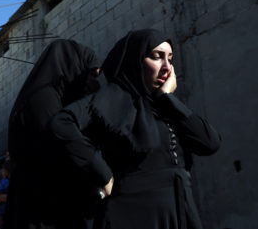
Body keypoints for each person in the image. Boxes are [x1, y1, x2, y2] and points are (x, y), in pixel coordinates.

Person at [50, 29, 222, 229]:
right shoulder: (113, 98)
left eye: (170, 59)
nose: (167, 67)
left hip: (179, 211)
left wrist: (168, 99)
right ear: (136, 60)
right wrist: (101, 172)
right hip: (130, 214)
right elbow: (62, 122)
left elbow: (210, 143)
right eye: (156, 57)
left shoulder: (166, 106)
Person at [4, 39, 102, 229]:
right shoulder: (43, 100)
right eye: (90, 75)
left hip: (44, 203)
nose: (92, 84)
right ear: (73, 67)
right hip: (40, 207)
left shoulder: (45, 97)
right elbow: (60, 153)